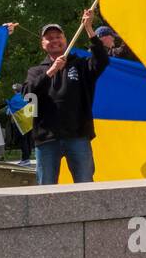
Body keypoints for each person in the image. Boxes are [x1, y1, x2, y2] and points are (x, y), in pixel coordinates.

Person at [22, 10, 106, 184]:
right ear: (42, 44)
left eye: (58, 37)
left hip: (78, 136)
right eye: (49, 38)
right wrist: (51, 71)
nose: (54, 41)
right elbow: (27, 94)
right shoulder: (36, 71)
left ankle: (86, 212)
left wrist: (89, 28)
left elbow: (102, 60)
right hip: (46, 139)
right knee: (46, 188)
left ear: (65, 40)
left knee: (85, 184)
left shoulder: (81, 64)